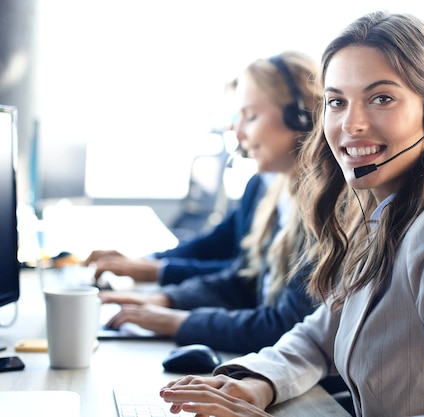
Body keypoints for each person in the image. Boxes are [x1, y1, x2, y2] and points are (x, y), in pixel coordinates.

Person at [158, 11, 424, 417]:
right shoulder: (383, 214)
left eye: (382, 98)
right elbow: (319, 335)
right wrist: (257, 384)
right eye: (336, 102)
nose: (352, 123)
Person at [99, 50, 324, 354]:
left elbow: (285, 326)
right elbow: (244, 279)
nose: (238, 131)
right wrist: (170, 300)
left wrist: (178, 321)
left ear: (299, 116)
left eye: (251, 116)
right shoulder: (275, 192)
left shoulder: (324, 208)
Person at [83, 171, 272, 286]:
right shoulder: (258, 182)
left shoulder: (293, 201)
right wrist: (147, 261)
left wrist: (158, 271)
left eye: (251, 116)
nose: (236, 129)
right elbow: (215, 242)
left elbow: (245, 274)